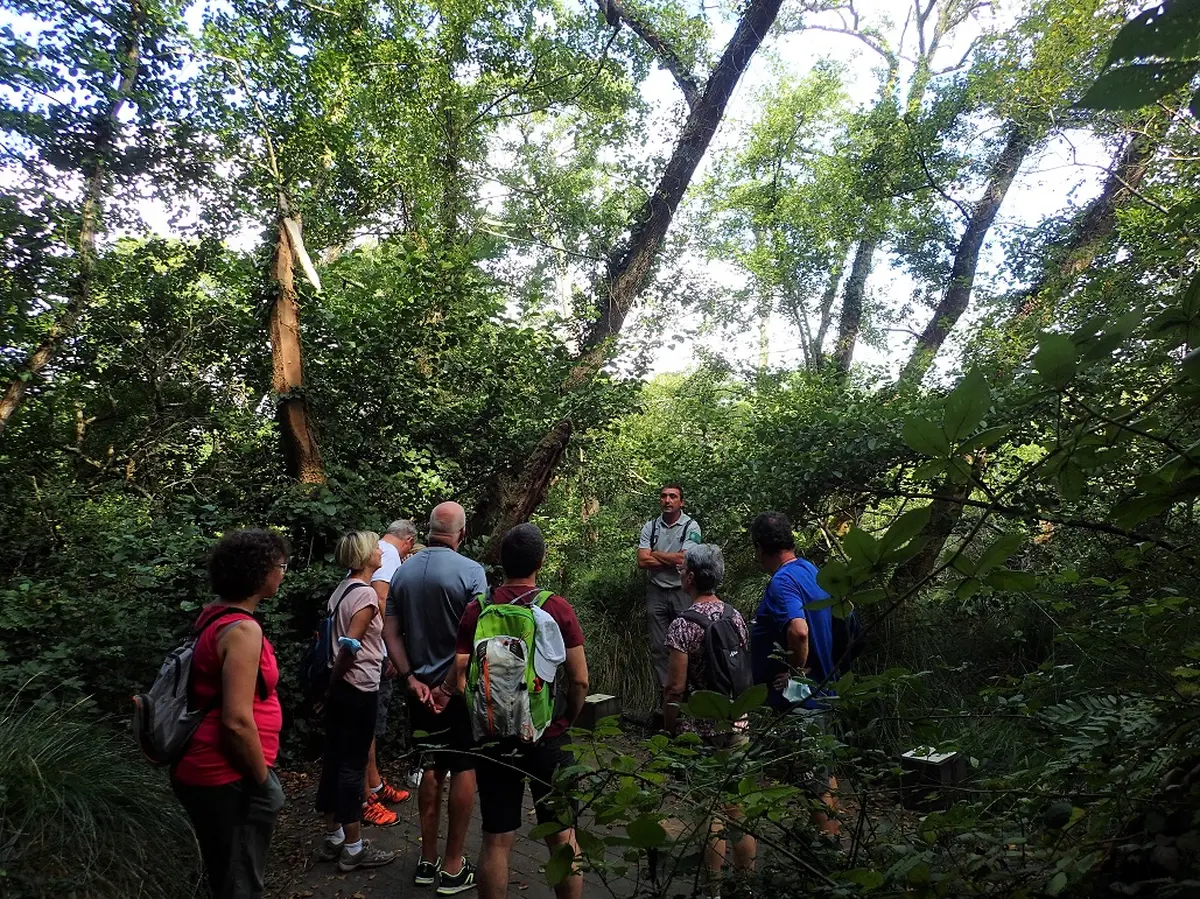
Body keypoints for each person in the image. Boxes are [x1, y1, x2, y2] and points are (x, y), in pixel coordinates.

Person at [453, 523, 589, 899]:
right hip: (547, 733)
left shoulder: (478, 608)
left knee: (496, 838)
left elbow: (458, 674)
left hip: (494, 733)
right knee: (563, 835)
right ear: (541, 562)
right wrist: (565, 721)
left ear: (500, 559)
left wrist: (482, 710)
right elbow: (579, 681)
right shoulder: (555, 606)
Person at [171, 528, 290, 899]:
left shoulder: (215, 615)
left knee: (228, 872)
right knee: (239, 879)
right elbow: (237, 721)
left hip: (211, 769)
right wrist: (263, 781)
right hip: (225, 772)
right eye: (281, 566)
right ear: (260, 573)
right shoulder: (241, 630)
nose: (283, 573)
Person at [385, 502, 485, 895]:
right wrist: (447, 687)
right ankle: (453, 865)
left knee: (430, 765)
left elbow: (391, 632)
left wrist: (411, 678)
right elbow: (477, 637)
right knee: (463, 766)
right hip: (455, 691)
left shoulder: (403, 572)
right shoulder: (471, 572)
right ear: (461, 533)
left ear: (428, 530)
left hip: (419, 691)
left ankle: (426, 861)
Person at [663, 543, 756, 898]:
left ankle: (713, 891)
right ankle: (746, 885)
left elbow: (675, 687)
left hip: (700, 730)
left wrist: (670, 727)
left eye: (683, 568)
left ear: (690, 577)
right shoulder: (735, 616)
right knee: (738, 808)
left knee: (709, 811)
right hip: (737, 722)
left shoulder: (683, 626)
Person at [748, 511, 840, 835]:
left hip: (805, 702)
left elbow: (799, 631)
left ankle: (829, 862)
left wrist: (794, 673)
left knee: (812, 787)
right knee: (824, 778)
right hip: (824, 692)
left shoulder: (783, 581)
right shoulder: (811, 571)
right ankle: (835, 849)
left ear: (759, 548)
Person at [315, 531, 397, 871]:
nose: (381, 550)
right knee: (352, 766)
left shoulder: (342, 589)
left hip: (342, 691)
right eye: (375, 546)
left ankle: (334, 835)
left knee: (335, 760)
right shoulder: (364, 596)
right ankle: (353, 847)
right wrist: (334, 683)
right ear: (365, 556)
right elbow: (350, 647)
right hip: (356, 689)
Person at [362, 520, 419, 826]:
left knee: (369, 723)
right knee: (368, 724)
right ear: (408, 540)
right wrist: (391, 649)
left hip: (370, 651)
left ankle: (374, 783)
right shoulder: (388, 554)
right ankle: (369, 791)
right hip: (375, 654)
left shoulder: (378, 549)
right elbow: (382, 598)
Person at [637, 483, 703, 688]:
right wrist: (672, 559)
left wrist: (655, 554)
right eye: (664, 496)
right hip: (656, 592)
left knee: (689, 641)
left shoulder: (691, 526)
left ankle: (691, 691)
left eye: (673, 496)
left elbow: (685, 559)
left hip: (682, 591)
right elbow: (641, 561)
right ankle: (668, 693)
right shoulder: (651, 526)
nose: (667, 500)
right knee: (659, 645)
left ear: (681, 502)